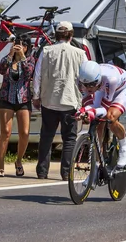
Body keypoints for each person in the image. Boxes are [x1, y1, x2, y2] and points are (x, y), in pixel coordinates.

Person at [32, 21, 88, 180]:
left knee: (46, 137)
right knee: (69, 138)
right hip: (70, 102)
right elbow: (85, 78)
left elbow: (37, 75)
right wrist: (83, 99)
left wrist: (36, 96)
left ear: (56, 35)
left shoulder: (47, 51)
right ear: (71, 35)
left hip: (49, 100)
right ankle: (66, 173)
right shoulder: (80, 53)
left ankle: (42, 172)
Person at [76, 61, 126, 168]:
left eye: (91, 85)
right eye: (86, 85)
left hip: (123, 88)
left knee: (110, 117)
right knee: (97, 125)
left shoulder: (110, 79)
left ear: (98, 80)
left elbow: (104, 109)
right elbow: (89, 105)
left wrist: (92, 112)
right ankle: (97, 167)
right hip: (102, 88)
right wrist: (84, 112)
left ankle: (124, 144)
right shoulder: (80, 81)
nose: (88, 88)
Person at [0, 35, 35, 177]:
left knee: (24, 132)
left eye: (23, 45)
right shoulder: (7, 58)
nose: (19, 47)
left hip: (23, 99)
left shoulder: (29, 59)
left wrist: (22, 57)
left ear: (27, 47)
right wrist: (11, 54)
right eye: (17, 44)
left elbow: (29, 73)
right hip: (7, 98)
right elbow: (0, 70)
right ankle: (1, 165)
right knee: (5, 132)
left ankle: (18, 161)